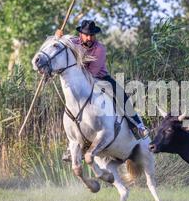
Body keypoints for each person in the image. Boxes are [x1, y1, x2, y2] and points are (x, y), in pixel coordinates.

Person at [55, 20, 149, 160]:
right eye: (86, 35)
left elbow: (92, 73)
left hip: (99, 78)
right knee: (71, 107)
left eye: (92, 35)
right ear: (80, 34)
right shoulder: (73, 42)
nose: (89, 38)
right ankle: (71, 146)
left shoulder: (100, 49)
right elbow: (58, 47)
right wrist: (58, 37)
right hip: (79, 81)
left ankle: (138, 126)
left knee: (121, 95)